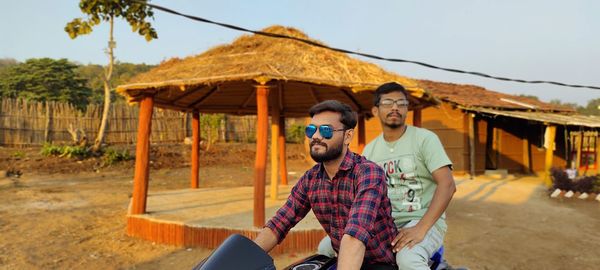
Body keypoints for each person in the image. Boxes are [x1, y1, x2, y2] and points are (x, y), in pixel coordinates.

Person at [318, 82, 456, 270]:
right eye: (388, 102)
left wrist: (421, 228)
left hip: (421, 220)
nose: (395, 108)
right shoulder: (371, 150)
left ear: (407, 109)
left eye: (401, 103)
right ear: (375, 111)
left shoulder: (424, 139)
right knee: (325, 247)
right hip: (383, 224)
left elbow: (447, 185)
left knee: (408, 260)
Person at [253, 100, 398, 269]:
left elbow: (355, 237)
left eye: (326, 130)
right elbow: (279, 224)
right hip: (343, 259)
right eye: (311, 130)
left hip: (379, 264)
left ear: (348, 136)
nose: (315, 136)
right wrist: (244, 258)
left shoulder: (368, 173)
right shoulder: (311, 178)